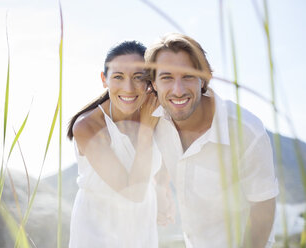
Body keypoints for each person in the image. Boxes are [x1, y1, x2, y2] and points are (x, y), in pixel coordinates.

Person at [145, 33, 279, 248]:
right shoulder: (155, 119)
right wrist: (161, 184)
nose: (177, 90)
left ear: (203, 78)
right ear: (153, 84)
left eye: (188, 76)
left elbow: (263, 209)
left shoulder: (245, 131)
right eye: (167, 77)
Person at [66, 41, 162, 248]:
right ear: (104, 79)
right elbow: (133, 193)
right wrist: (146, 130)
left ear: (150, 82)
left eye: (138, 78)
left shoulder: (155, 109)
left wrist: (163, 187)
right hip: (97, 230)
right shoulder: (88, 127)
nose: (128, 88)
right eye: (118, 77)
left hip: (142, 226)